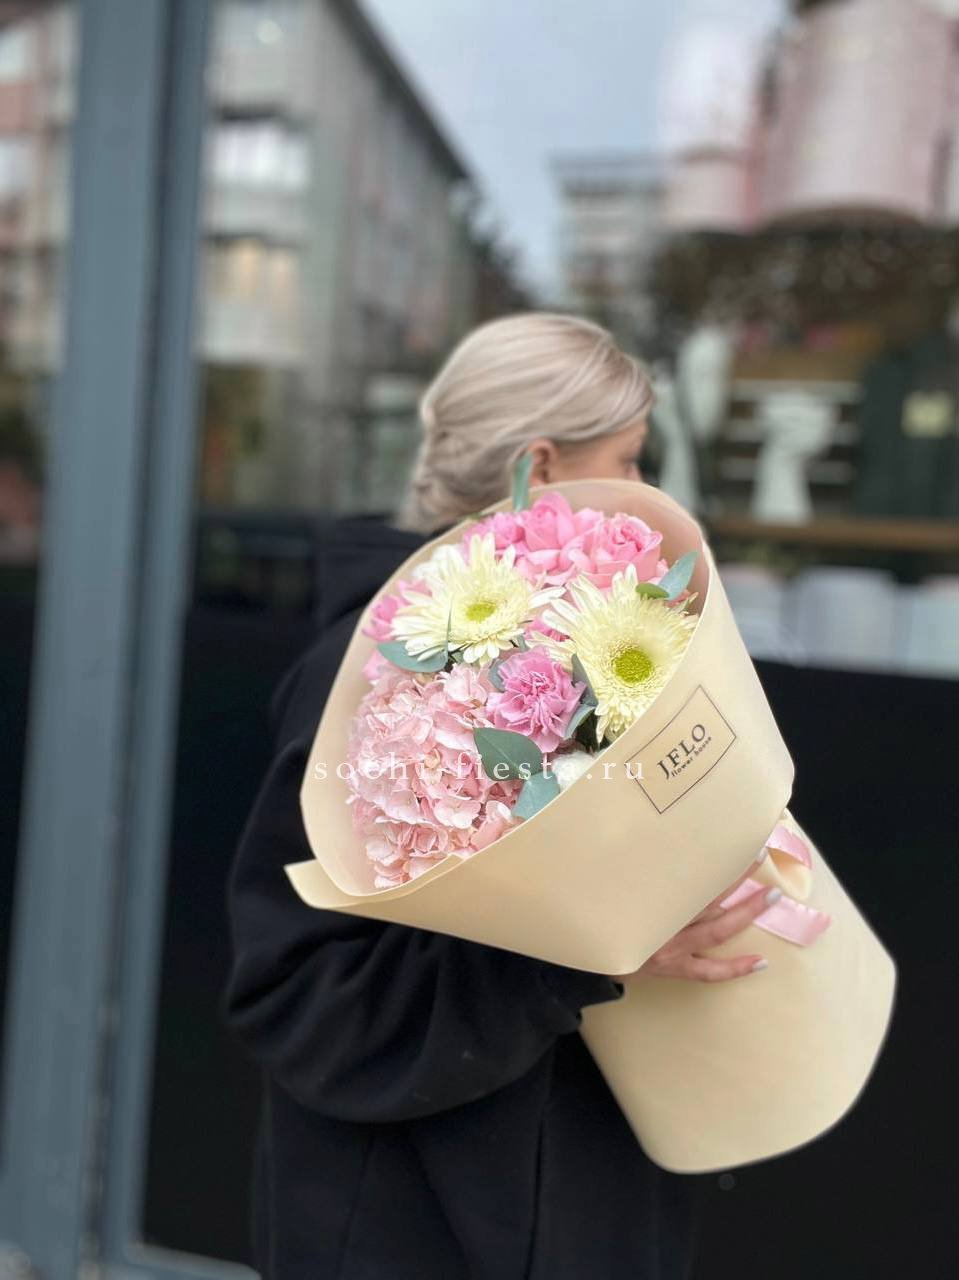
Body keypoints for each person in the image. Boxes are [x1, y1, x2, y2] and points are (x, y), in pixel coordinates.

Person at [222, 312, 777, 1280]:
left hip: (583, 1184)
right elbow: (298, 992)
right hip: (409, 1222)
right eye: (629, 459)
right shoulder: (370, 679)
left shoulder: (596, 636)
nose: (647, 488)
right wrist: (575, 954)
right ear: (542, 468)